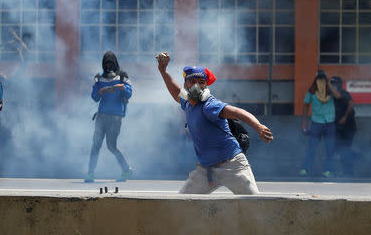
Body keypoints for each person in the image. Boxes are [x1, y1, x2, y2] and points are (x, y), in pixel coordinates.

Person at [156, 52, 273, 194]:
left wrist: (259, 127)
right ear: (185, 85)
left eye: (202, 82)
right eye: (192, 81)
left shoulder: (210, 105)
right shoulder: (187, 103)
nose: (197, 86)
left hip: (233, 166)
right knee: (183, 204)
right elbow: (174, 90)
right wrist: (163, 71)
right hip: (206, 171)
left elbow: (238, 112)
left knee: (254, 205)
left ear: (206, 86)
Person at [84, 51, 133, 183]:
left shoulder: (123, 76)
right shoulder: (99, 77)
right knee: (96, 145)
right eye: (107, 63)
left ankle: (126, 170)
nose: (109, 66)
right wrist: (99, 92)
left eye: (111, 63)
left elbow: (129, 94)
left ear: (116, 63)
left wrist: (123, 88)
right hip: (102, 116)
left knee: (111, 146)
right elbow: (94, 97)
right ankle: (90, 173)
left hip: (116, 117)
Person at [300, 70, 341, 178]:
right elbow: (305, 105)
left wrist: (328, 84)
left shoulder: (330, 90)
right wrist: (304, 122)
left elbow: (338, 96)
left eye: (323, 80)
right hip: (316, 123)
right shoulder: (312, 91)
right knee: (312, 148)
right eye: (319, 80)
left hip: (329, 123)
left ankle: (329, 171)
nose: (321, 82)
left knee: (330, 148)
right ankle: (305, 169)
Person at [330, 76, 357, 177]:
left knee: (345, 149)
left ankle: (347, 170)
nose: (333, 86)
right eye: (332, 84)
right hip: (338, 127)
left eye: (335, 83)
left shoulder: (344, 93)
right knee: (340, 149)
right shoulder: (332, 96)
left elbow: (351, 104)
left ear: (340, 84)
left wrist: (345, 117)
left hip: (348, 127)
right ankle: (347, 169)